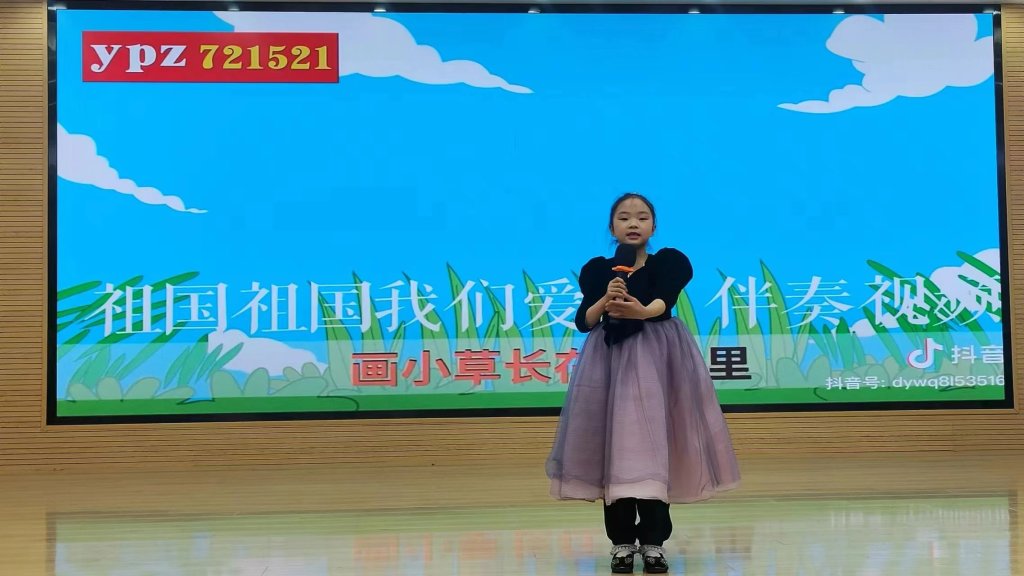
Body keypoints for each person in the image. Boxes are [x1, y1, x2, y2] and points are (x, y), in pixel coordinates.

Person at [545, 192, 741, 574]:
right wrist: (606, 298)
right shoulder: (598, 269)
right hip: (610, 362)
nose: (633, 223)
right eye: (623, 217)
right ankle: (621, 542)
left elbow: (663, 302)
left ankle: (653, 542)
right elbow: (585, 320)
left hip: (658, 359)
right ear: (611, 227)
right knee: (615, 449)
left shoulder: (670, 262)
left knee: (655, 448)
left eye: (641, 217)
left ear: (653, 225)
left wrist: (641, 310)